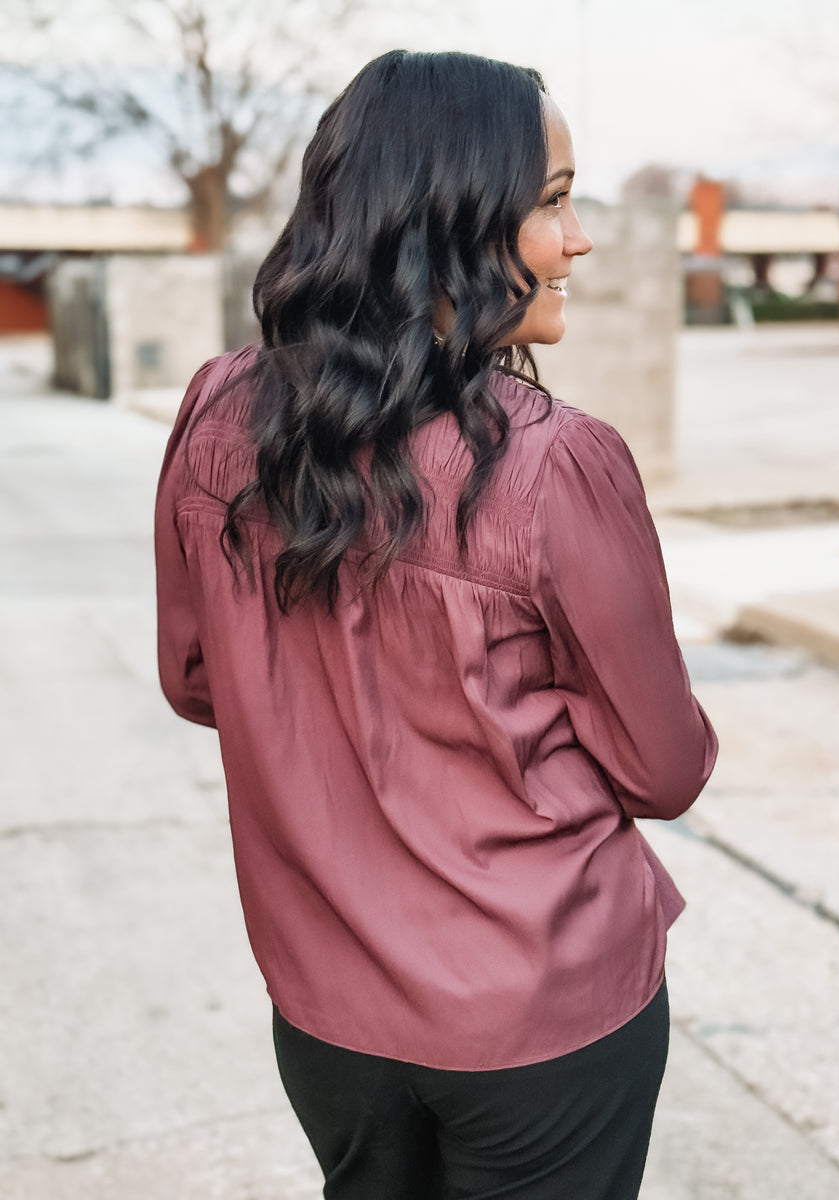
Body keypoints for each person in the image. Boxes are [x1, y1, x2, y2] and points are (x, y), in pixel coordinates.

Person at [155, 49, 717, 1200]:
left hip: (328, 1013)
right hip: (539, 1011)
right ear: (454, 217)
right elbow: (664, 768)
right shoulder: (560, 464)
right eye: (553, 202)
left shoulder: (219, 413)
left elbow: (195, 677)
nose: (579, 239)